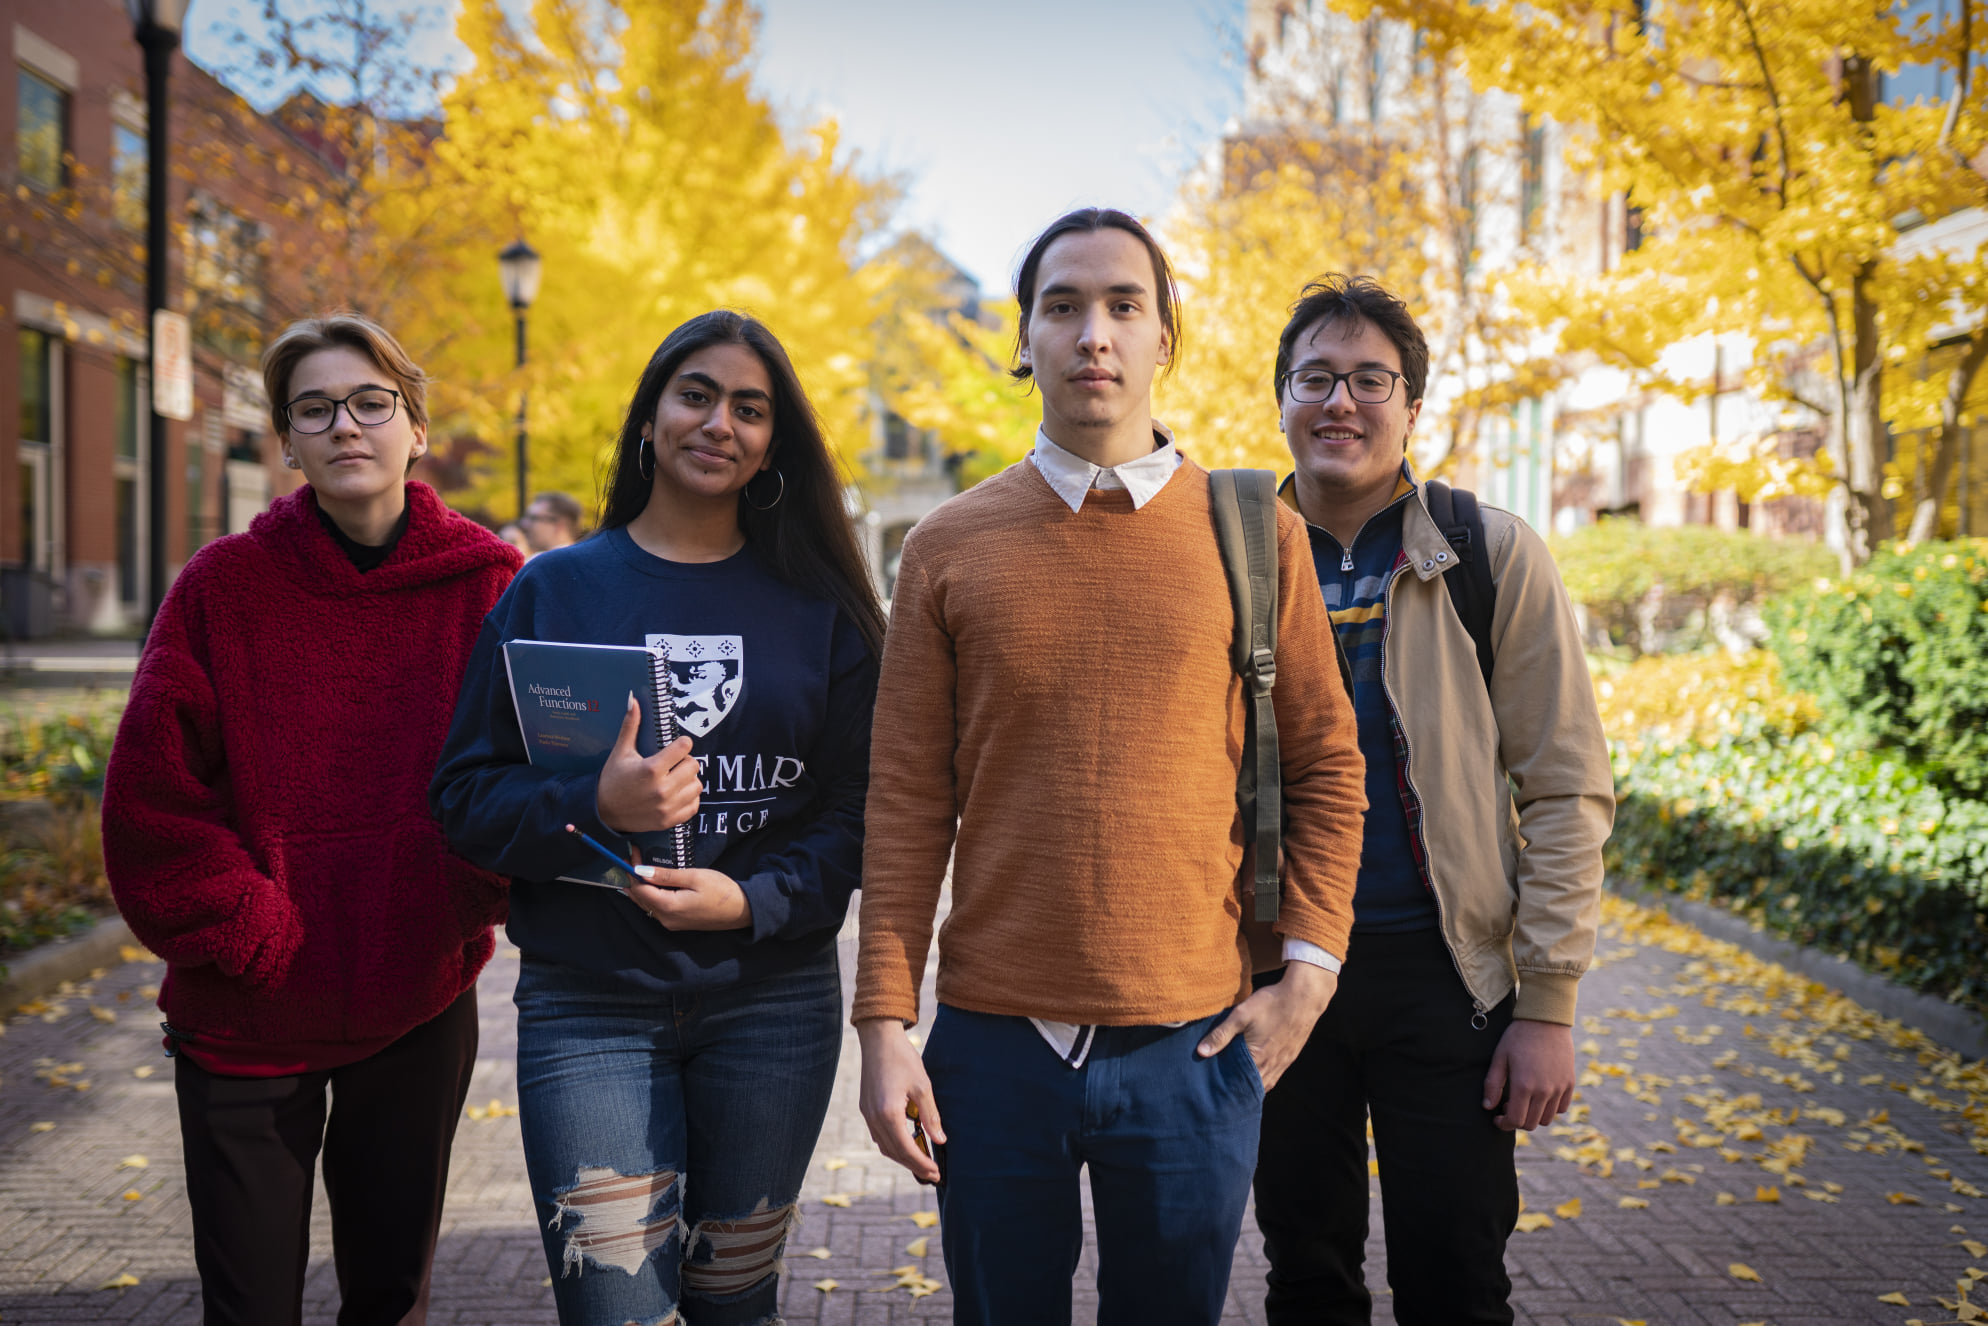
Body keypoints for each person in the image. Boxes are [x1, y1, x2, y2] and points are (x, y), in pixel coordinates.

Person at [853, 208, 1368, 1326]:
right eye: (1063, 305)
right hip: (992, 1051)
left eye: (1123, 306)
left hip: (1193, 1043)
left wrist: (1311, 972)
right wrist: (884, 1027)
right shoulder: (944, 545)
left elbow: (1329, 763)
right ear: (1022, 340)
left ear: (1163, 339)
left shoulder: (1253, 532)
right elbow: (904, 799)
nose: (1094, 332)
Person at [430, 310, 883, 1326]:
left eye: (750, 407)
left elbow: (863, 811)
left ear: (774, 442)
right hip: (589, 1004)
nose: (719, 422)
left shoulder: (820, 607)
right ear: (648, 421)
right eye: (695, 395)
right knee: (613, 1313)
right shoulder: (553, 591)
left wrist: (751, 899)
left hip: (771, 1004)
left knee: (733, 1304)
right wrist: (591, 802)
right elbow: (461, 798)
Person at [101, 314, 522, 1325]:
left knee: (388, 1295)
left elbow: (522, 775)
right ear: (285, 440)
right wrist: (249, 928)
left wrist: (460, 900)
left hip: (414, 990)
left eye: (372, 402)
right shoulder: (220, 587)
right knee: (249, 1305)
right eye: (315, 408)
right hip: (250, 1003)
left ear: (415, 427)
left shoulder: (490, 585)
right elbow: (151, 799)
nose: (347, 426)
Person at [1251, 274, 1615, 1325]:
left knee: (1454, 1277)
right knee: (1305, 1273)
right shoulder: (1227, 560)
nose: (1340, 402)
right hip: (1276, 970)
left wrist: (1545, 1005)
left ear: (1413, 408)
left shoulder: (1487, 555)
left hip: (1443, 977)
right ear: (1279, 399)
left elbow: (1563, 787)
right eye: (1314, 377)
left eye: (1372, 379)